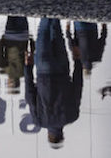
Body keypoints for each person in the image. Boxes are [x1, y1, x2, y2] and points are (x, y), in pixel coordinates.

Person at [27, 17, 82, 147]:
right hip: (43, 72)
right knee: (43, 32)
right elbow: (30, 95)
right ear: (49, 135)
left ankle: (56, 2)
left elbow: (78, 87)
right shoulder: (39, 121)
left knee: (57, 31)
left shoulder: (72, 116)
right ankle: (47, 3)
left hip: (63, 70)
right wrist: (28, 68)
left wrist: (77, 61)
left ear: (62, 134)